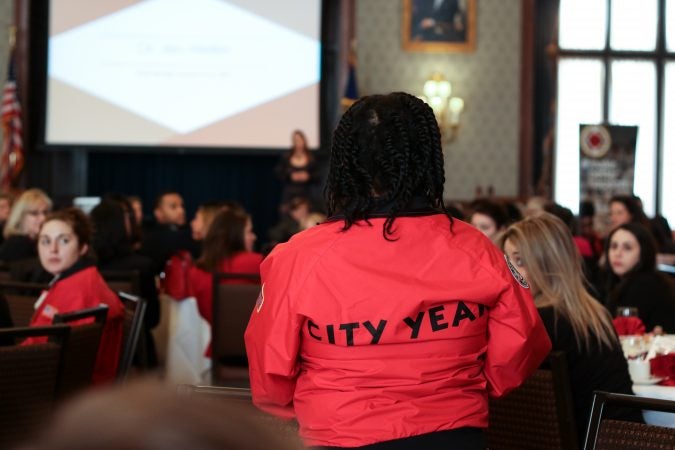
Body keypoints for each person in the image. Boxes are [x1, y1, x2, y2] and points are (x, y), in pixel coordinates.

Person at [245, 92, 551, 449]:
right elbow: (520, 350)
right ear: (425, 160)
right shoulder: (477, 249)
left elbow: (269, 375)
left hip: (338, 436)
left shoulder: (298, 257)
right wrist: (457, 390)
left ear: (344, 163)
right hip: (453, 437)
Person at [500, 214, 642, 443]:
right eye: (507, 261)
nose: (509, 272)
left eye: (520, 262)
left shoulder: (541, 321)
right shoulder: (593, 313)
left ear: (547, 264)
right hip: (623, 439)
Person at [26, 208, 124, 384]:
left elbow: (62, 359)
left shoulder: (80, 289)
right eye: (45, 241)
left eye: (64, 241)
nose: (53, 249)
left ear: (82, 247)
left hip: (66, 392)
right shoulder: (74, 278)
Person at [90, 200, 160, 367]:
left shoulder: (87, 268)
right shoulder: (143, 265)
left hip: (93, 350)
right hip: (136, 352)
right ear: (122, 225)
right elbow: (153, 319)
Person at [187, 208, 262, 327]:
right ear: (234, 236)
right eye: (249, 232)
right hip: (254, 339)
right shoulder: (258, 263)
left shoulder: (196, 271)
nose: (254, 237)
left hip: (217, 342)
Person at [603, 223, 675, 333]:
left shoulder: (645, 284)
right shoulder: (617, 281)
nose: (617, 253)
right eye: (613, 246)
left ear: (643, 253)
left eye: (627, 248)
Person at [140, 191, 197, 274]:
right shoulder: (150, 236)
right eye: (173, 207)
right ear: (158, 213)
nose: (181, 211)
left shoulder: (192, 231)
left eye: (182, 206)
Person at [0, 188, 52, 263]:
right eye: (34, 213)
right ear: (21, 217)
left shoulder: (36, 241)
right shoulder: (17, 244)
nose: (43, 218)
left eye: (45, 212)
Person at [275, 130, 319, 209]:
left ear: (304, 141)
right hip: (289, 196)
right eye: (296, 140)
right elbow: (279, 174)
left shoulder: (311, 158)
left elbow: (318, 177)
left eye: (300, 140)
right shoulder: (286, 157)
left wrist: (308, 176)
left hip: (306, 195)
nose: (298, 143)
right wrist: (290, 176)